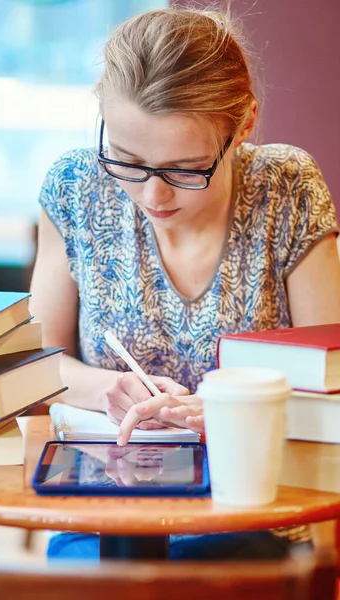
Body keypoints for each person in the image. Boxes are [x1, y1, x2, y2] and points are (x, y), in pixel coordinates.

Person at [29, 6, 340, 561]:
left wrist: (226, 409)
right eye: (126, 161)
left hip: (251, 513)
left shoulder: (285, 188)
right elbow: (33, 368)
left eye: (184, 169)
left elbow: (329, 386)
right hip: (103, 512)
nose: (153, 197)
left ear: (244, 125)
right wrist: (103, 388)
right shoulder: (76, 186)